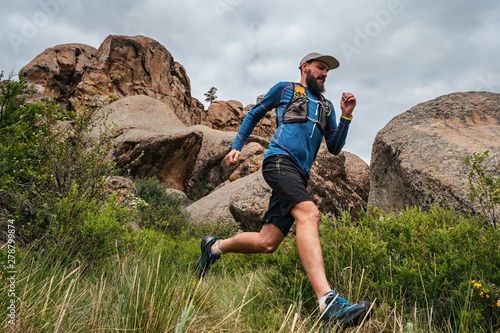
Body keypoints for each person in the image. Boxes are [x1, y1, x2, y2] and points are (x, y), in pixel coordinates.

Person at [195, 52, 371, 329]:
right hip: (279, 160)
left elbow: (335, 147)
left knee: (268, 242)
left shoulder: (326, 106)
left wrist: (347, 116)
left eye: (327, 71)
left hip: (299, 174)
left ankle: (213, 247)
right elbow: (255, 113)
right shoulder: (286, 89)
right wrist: (237, 146)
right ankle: (328, 303)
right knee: (309, 214)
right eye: (320, 68)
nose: (324, 74)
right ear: (305, 67)